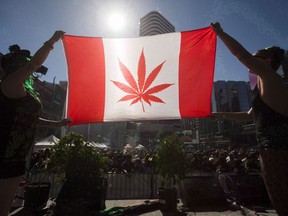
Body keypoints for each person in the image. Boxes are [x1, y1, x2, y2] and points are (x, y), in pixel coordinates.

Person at [210, 22, 288, 215]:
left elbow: (241, 55)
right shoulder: (261, 86)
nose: (250, 60)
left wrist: (220, 33)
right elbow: (248, 115)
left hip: (280, 149)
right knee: (279, 197)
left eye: (256, 57)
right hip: (269, 149)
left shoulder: (271, 79)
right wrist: (217, 114)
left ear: (268, 60)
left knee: (283, 198)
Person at [0, 31, 72, 216]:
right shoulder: (9, 85)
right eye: (24, 65)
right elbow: (34, 64)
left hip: (16, 156)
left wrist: (58, 123)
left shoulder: (23, 91)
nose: (29, 69)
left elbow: (32, 119)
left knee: (5, 207)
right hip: (4, 155)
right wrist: (52, 41)